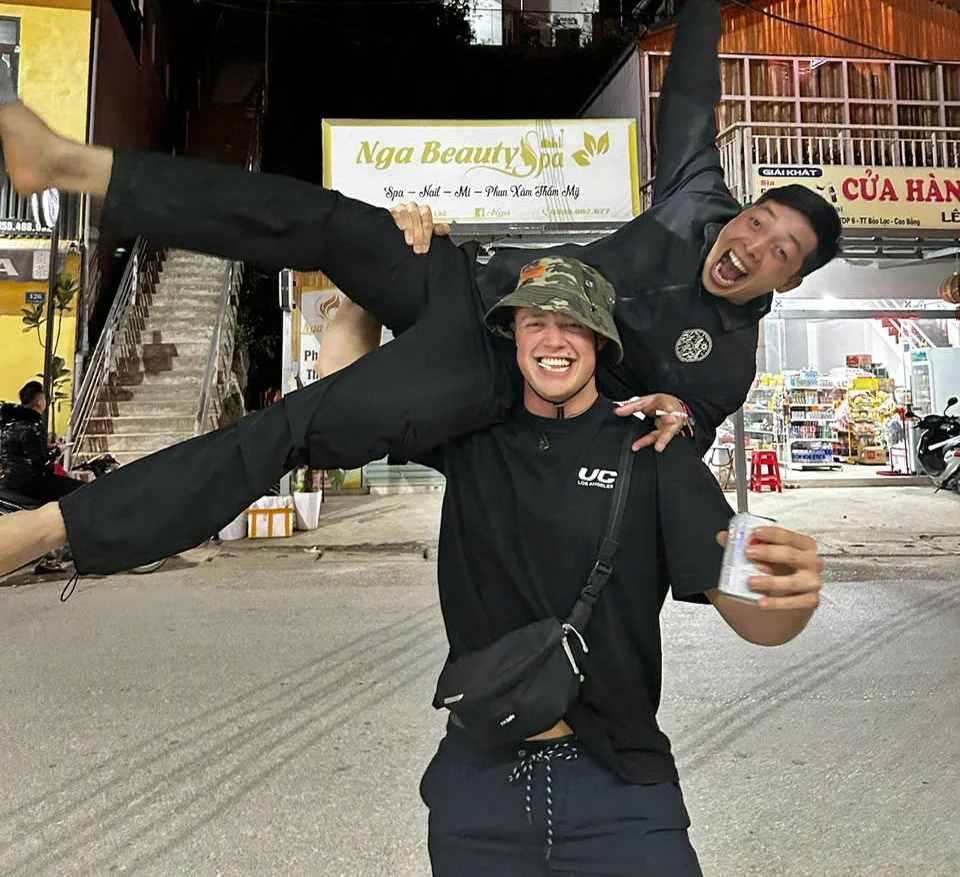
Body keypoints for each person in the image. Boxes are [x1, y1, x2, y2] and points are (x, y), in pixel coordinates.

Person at [0, 0, 841, 577]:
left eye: (781, 251)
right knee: (329, 221)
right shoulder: (698, 197)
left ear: (790, 279)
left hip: (488, 372)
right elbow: (694, 82)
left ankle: (47, 530)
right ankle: (71, 163)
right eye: (761, 219)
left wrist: (683, 440)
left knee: (295, 425)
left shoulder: (727, 363)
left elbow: (672, 461)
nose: (754, 242)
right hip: (465, 277)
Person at [320, 255, 824, 876]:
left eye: (575, 325)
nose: (554, 340)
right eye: (534, 322)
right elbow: (339, 393)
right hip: (479, 786)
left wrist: (790, 598)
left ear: (601, 344)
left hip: (621, 784)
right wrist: (366, 280)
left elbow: (756, 619)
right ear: (513, 338)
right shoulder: (472, 437)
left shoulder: (654, 451)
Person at [0, 381, 81, 502]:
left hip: (9, 480)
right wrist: (58, 450)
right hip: (32, 482)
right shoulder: (34, 425)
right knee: (81, 491)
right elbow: (42, 462)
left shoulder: (7, 423)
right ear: (39, 402)